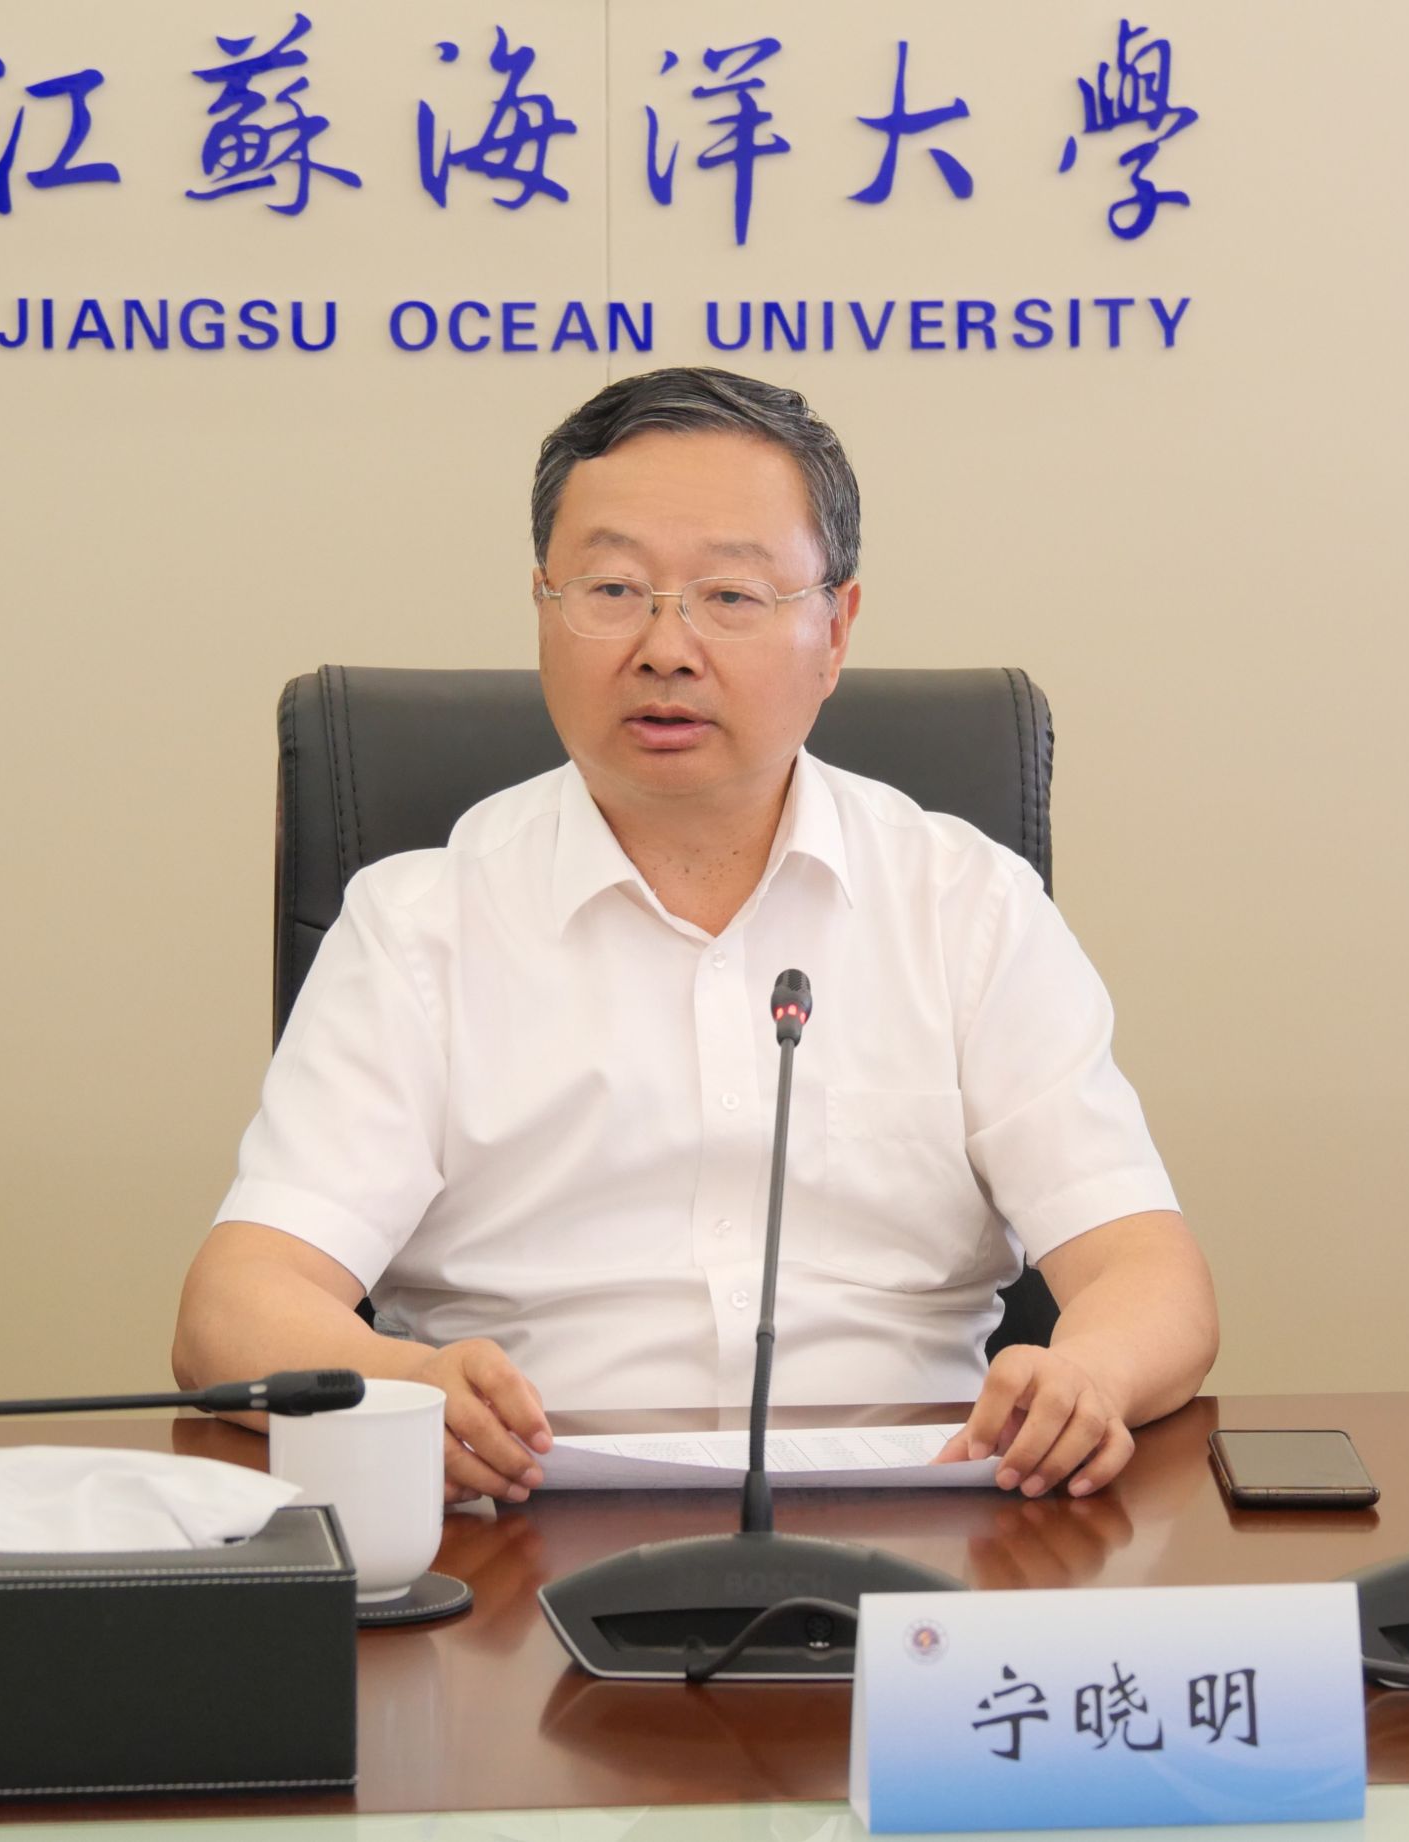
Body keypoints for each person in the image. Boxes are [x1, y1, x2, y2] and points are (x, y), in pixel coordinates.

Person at [172, 366, 1217, 1506]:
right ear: (543, 610)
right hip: (521, 1522)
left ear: (834, 630)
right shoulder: (419, 927)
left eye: (731, 594)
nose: (665, 648)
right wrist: (408, 1387)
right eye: (613, 589)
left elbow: (1147, 1273)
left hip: (916, 1519)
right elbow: (234, 1309)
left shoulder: (967, 906)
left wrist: (1084, 1380)